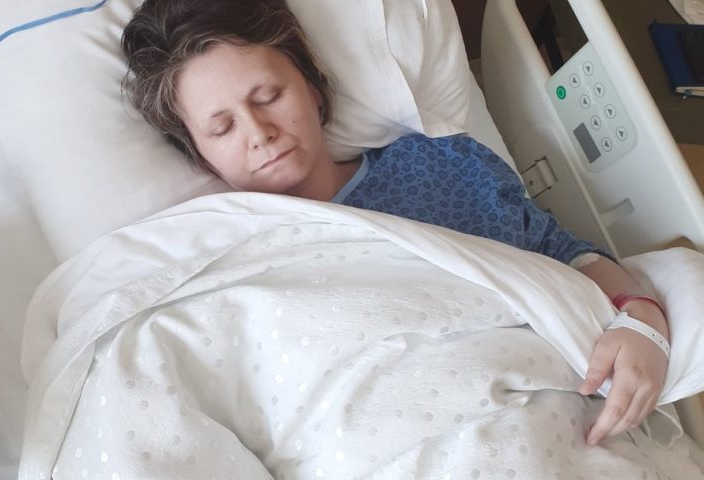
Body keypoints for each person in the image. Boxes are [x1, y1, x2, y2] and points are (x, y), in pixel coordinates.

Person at [121, 0, 669, 446]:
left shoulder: (444, 167)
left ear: (312, 85)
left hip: (545, 419)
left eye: (269, 96)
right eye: (222, 128)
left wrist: (642, 320)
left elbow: (563, 253)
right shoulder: (217, 259)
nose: (258, 131)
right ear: (200, 156)